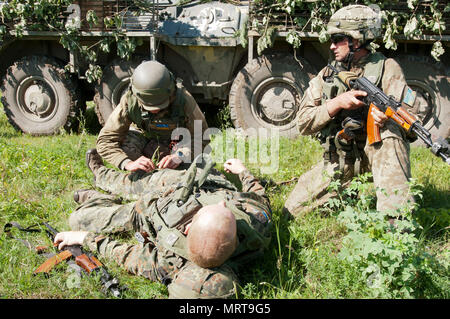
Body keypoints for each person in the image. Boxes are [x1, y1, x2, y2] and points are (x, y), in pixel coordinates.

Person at [55, 150, 272, 299]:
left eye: (220, 208)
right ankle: (101, 174)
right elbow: (258, 194)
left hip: (146, 212)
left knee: (78, 220)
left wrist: (83, 238)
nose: (222, 203)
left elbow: (125, 254)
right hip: (181, 185)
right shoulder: (257, 220)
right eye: (221, 207)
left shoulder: (172, 262)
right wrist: (242, 170)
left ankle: (97, 198)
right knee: (131, 182)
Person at [284, 5, 419, 218]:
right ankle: (348, 194)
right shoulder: (327, 74)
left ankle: (397, 219)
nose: (332, 46)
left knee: (391, 134)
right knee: (290, 213)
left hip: (375, 156)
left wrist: (386, 117)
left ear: (355, 41)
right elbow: (303, 123)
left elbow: (412, 123)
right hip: (339, 162)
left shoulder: (387, 69)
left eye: (338, 39)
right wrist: (336, 103)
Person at [96, 60, 209, 172]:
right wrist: (127, 163)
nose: (155, 111)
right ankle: (144, 169)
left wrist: (180, 156)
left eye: (160, 106)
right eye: (148, 107)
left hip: (177, 144)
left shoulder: (183, 99)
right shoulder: (129, 100)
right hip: (146, 143)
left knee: (199, 162)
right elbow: (105, 140)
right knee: (125, 143)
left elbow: (202, 137)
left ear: (171, 92)